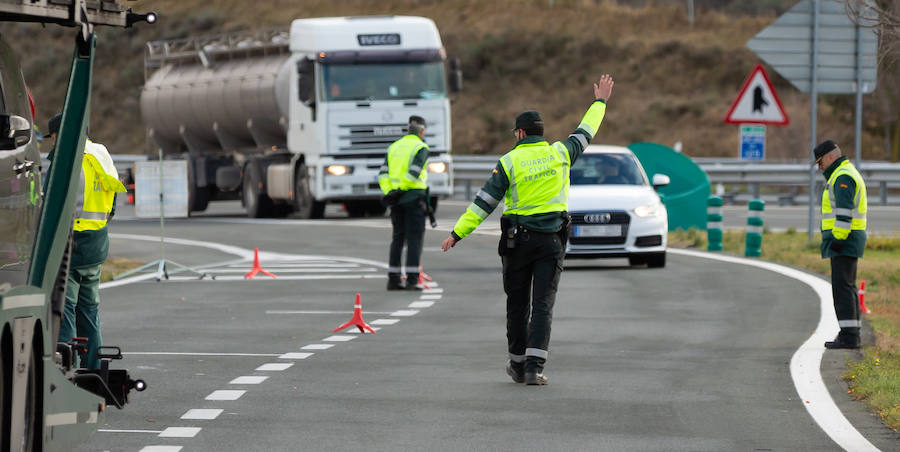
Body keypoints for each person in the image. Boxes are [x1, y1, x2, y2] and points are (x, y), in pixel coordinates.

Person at [441, 75, 615, 385]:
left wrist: (457, 233)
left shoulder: (509, 162)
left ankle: (517, 365)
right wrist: (599, 102)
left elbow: (484, 203)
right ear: (541, 133)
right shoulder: (561, 153)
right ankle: (536, 367)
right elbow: (586, 130)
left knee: (517, 303)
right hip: (551, 241)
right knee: (543, 304)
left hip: (517, 242)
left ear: (520, 133)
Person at [46, 113, 127, 368]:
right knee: (90, 311)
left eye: (53, 137)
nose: (52, 143)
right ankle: (93, 367)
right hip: (96, 245)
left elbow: (49, 206)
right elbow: (112, 203)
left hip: (71, 245)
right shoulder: (102, 155)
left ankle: (65, 369)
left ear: (62, 134)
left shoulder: (66, 160)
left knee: (65, 310)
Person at [814, 140, 867, 349]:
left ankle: (849, 337)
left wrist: (837, 239)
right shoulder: (844, 173)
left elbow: (844, 212)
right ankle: (851, 334)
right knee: (847, 287)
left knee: (842, 288)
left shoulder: (843, 176)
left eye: (820, 162)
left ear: (829, 157)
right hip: (848, 239)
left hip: (844, 239)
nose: (819, 168)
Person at [379, 115, 430, 290]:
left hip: (395, 200)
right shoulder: (421, 147)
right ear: (422, 131)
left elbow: (383, 174)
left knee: (397, 238)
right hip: (413, 197)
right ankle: (412, 279)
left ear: (407, 130)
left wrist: (390, 192)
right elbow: (414, 172)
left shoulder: (393, 147)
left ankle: (393, 280)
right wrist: (402, 189)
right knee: (414, 239)